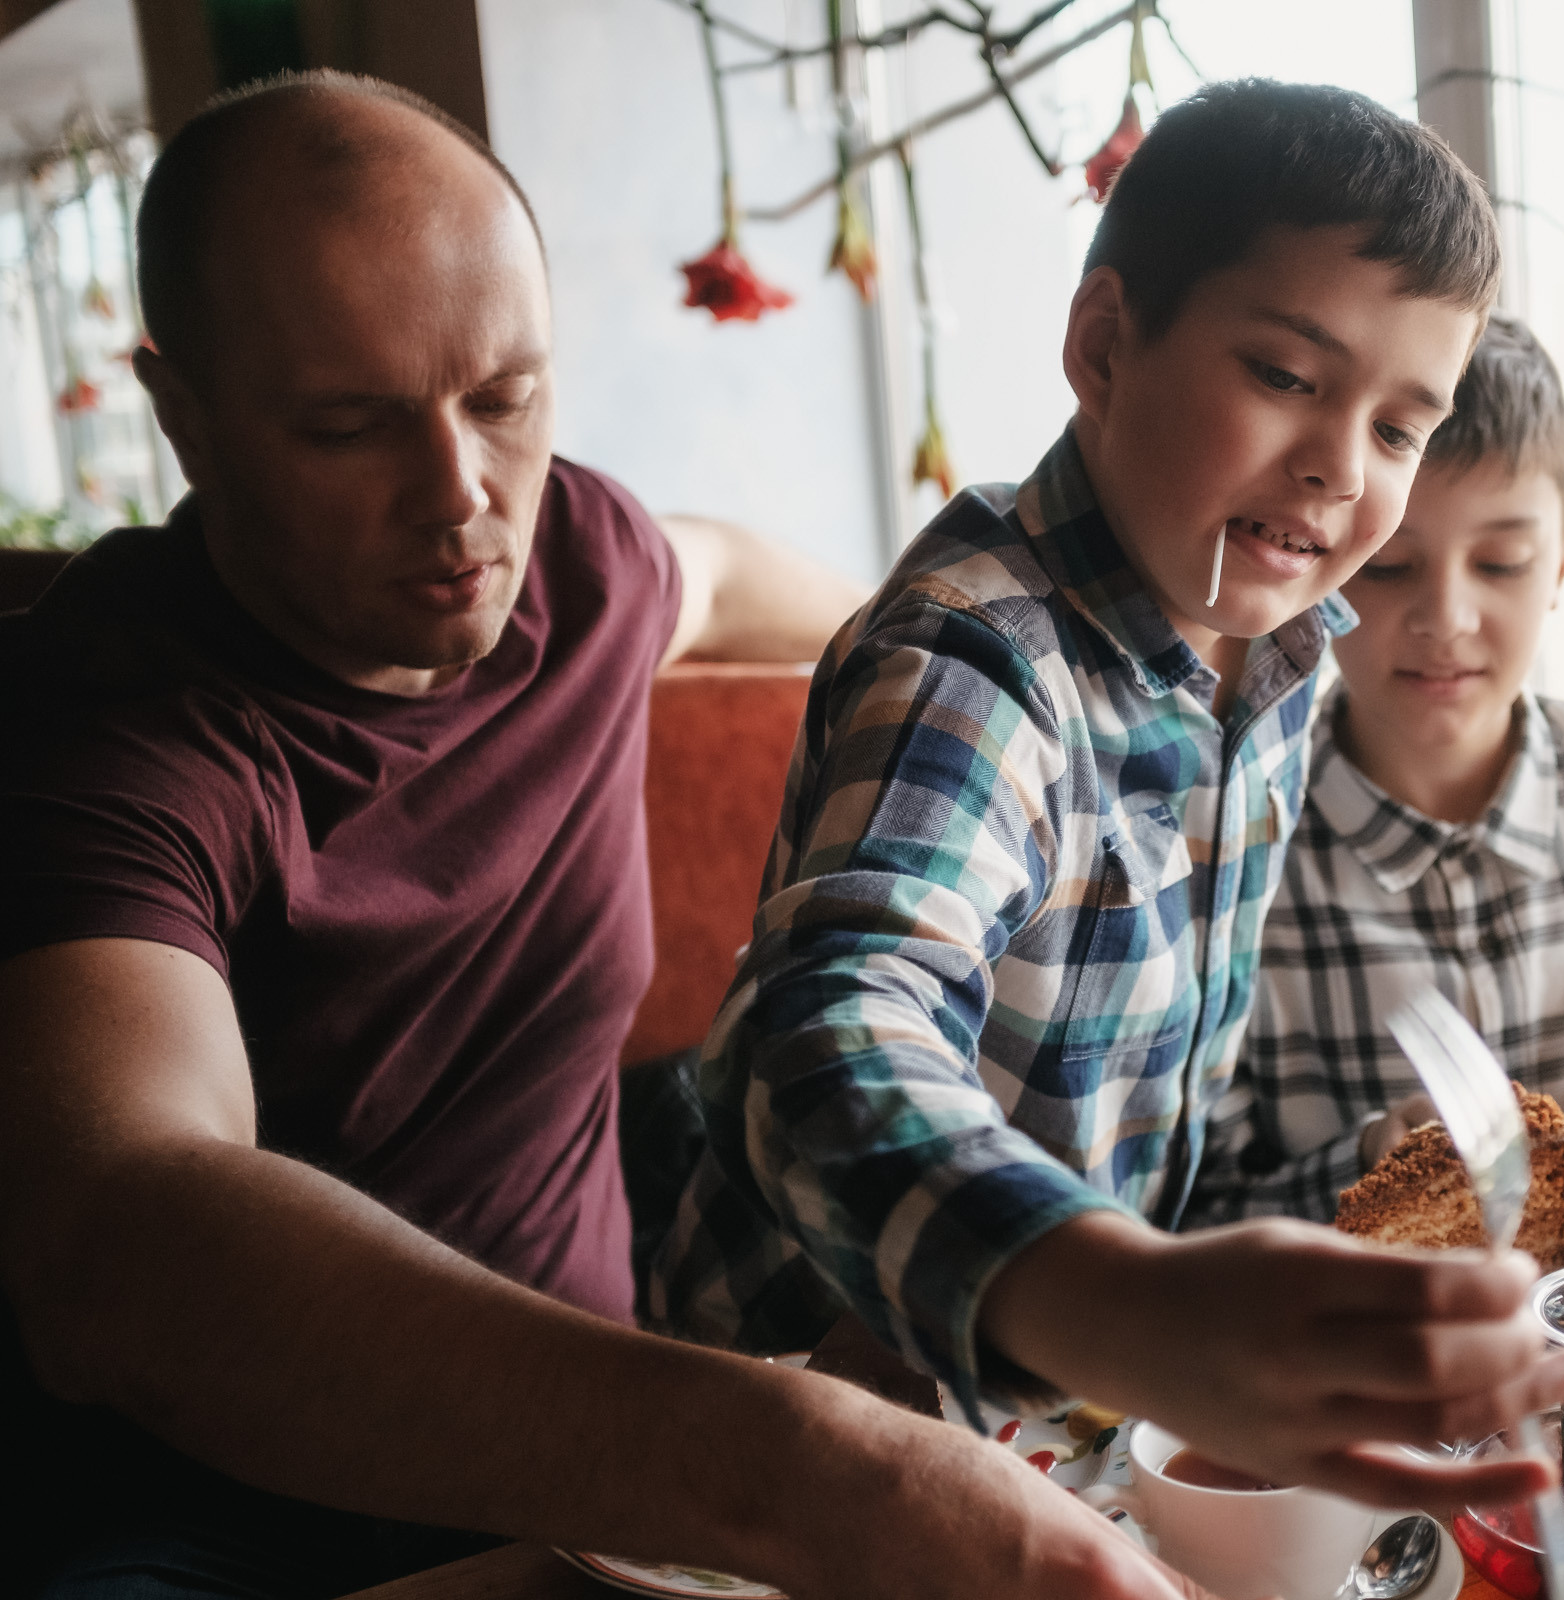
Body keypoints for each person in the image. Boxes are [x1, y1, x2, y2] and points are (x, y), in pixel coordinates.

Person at [0, 71, 1233, 1600]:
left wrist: (989, 711)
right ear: (181, 414)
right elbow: (122, 1236)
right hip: (227, 1526)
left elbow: (742, 584)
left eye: (504, 398)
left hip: (620, 1466)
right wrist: (783, 1464)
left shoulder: (574, 559)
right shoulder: (100, 730)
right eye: (347, 426)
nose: (461, 499)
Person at [652, 79, 1564, 1507]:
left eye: (1402, 428)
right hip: (787, 1457)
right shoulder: (978, 666)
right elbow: (819, 1025)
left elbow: (1142, 1117)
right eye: (1286, 377)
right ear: (1104, 344)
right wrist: (1118, 1298)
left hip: (1057, 1431)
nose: (1342, 466)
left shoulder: (1269, 664)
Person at [1187, 316, 1564, 1233]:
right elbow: (1195, 1213)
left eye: (1502, 563)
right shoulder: (1228, 854)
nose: (1446, 618)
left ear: (1560, 561)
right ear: (1323, 560)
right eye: (1392, 566)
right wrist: (1368, 1168)